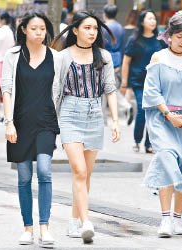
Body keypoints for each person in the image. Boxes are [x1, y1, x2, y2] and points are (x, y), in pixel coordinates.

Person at [51, 10, 121, 244]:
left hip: (94, 116)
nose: (92, 32)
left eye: (95, 28)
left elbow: (110, 89)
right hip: (70, 114)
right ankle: (87, 221)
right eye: (87, 28)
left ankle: (74, 220)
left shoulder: (104, 56)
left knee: (85, 174)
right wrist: (50, 123)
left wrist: (115, 120)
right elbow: (54, 91)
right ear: (75, 30)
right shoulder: (62, 57)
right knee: (79, 171)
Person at [142, 12, 182, 238]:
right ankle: (165, 218)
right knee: (167, 159)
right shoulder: (158, 58)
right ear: (169, 35)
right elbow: (151, 91)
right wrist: (170, 115)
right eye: (179, 36)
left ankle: (178, 218)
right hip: (163, 120)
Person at [1, 11, 60, 247]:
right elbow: (6, 89)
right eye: (34, 28)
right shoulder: (12, 55)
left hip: (46, 122)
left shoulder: (56, 57)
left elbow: (61, 90)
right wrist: (8, 122)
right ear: (24, 29)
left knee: (45, 171)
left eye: (43, 29)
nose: (39, 33)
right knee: (24, 177)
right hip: (20, 123)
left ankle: (45, 228)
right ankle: (28, 228)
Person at [121, 10, 167, 154]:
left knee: (154, 110)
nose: (153, 21)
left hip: (156, 82)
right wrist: (124, 83)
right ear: (142, 22)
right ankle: (137, 140)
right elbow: (126, 62)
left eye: (154, 18)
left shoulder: (160, 41)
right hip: (138, 81)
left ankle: (149, 143)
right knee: (142, 109)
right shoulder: (134, 40)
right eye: (149, 19)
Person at [102, 4, 133, 125]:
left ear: (105, 14)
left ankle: (123, 106)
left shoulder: (103, 27)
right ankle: (123, 106)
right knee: (108, 86)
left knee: (105, 88)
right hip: (117, 59)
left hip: (105, 59)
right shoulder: (120, 27)